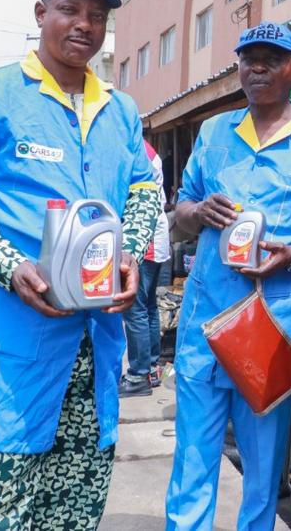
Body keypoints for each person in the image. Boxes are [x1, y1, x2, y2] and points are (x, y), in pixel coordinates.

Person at [0, 0, 159, 529]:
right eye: (70, 11)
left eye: (97, 17)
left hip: (94, 347)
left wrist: (130, 250)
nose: (84, 25)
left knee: (74, 510)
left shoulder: (120, 110)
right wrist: (11, 267)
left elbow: (144, 187)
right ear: (40, 14)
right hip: (14, 347)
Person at [166, 22, 291, 531]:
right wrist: (198, 211)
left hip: (272, 327)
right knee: (192, 460)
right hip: (205, 323)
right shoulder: (213, 134)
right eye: (249, 59)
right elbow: (179, 212)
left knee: (262, 464)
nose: (257, 68)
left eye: (271, 59)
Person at [120, 139, 172, 397]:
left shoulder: (136, 148)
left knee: (135, 309)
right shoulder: (147, 148)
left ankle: (138, 374)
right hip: (156, 235)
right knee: (148, 307)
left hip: (146, 239)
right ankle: (151, 367)